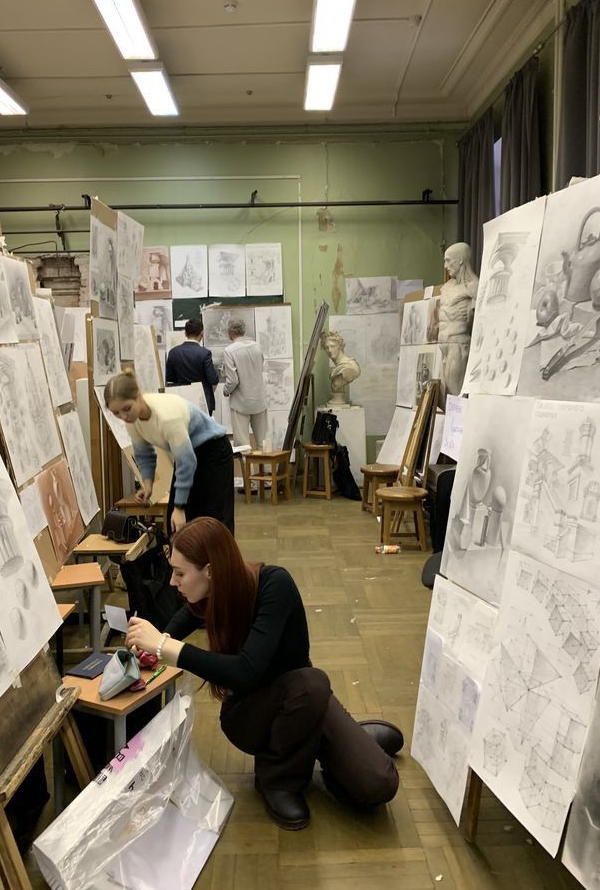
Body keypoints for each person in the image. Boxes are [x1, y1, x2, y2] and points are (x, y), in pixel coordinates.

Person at [125, 517, 402, 830]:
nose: (173, 583)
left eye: (179, 573)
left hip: (303, 699)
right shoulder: (209, 593)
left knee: (379, 784)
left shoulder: (273, 584)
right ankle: (277, 780)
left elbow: (245, 670)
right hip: (251, 715)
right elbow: (185, 619)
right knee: (313, 685)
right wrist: (155, 642)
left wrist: (164, 646)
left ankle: (331, 739)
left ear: (210, 571)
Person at [104, 370, 234, 533]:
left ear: (138, 395)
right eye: (116, 413)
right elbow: (144, 454)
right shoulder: (132, 420)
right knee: (176, 526)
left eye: (126, 408)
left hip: (214, 451)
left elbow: (187, 462)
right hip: (190, 454)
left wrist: (180, 507)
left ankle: (220, 558)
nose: (123, 416)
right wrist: (148, 485)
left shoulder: (167, 417)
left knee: (213, 522)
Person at [438, 242, 479, 399]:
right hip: (444, 345)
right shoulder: (447, 287)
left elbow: (480, 321)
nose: (445, 265)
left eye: (448, 260)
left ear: (460, 260)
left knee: (457, 394)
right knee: (443, 396)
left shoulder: (473, 286)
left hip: (458, 344)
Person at [222, 318, 268, 449]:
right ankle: (266, 469)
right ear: (244, 330)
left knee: (243, 445)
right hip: (259, 400)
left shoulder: (229, 351)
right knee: (263, 442)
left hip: (240, 402)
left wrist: (225, 391)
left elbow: (233, 380)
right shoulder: (257, 346)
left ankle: (247, 470)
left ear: (230, 332)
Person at [165, 318, 219, 415]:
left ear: (185, 333)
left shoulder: (173, 352)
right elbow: (213, 379)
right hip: (202, 400)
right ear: (202, 333)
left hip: (182, 400)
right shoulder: (205, 353)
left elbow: (170, 378)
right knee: (203, 430)